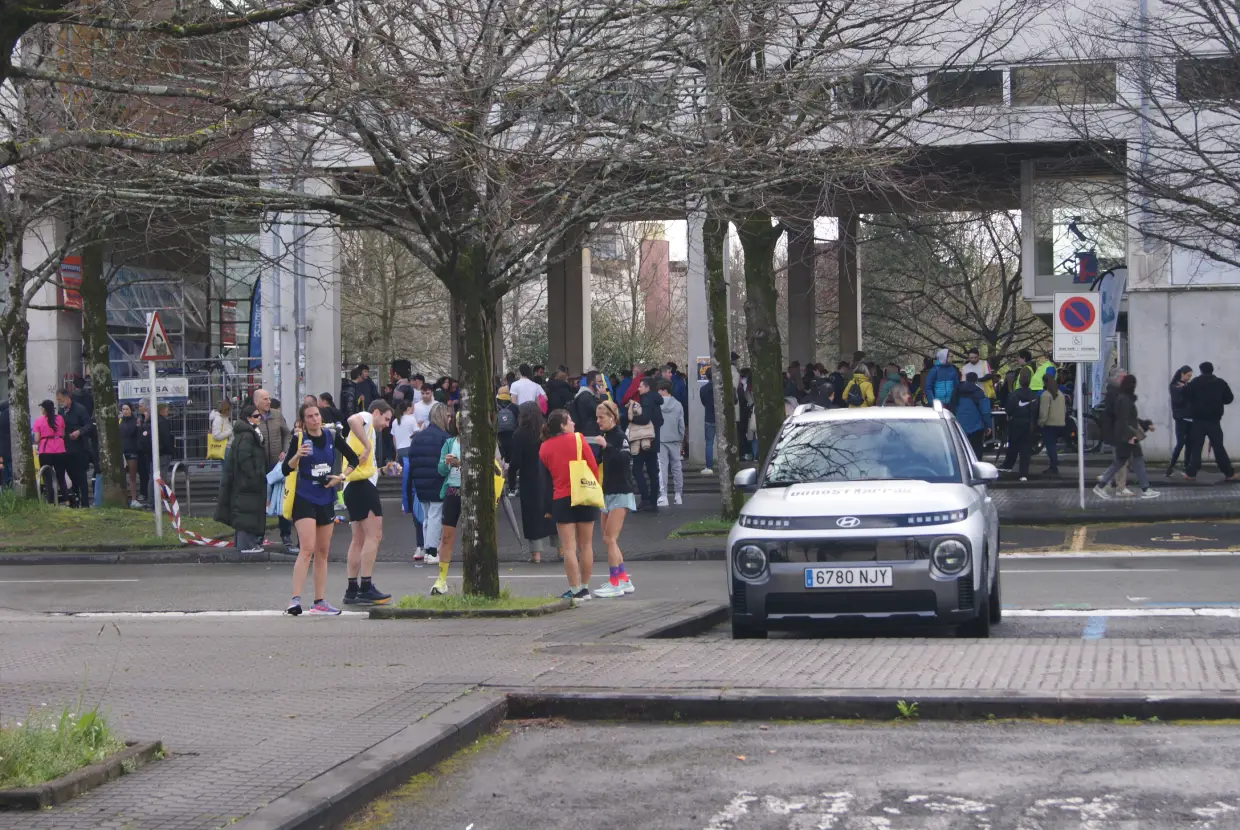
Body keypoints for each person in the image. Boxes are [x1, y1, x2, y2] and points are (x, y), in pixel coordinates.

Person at [281, 402, 360, 616]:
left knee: (322, 552)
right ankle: (295, 600)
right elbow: (285, 469)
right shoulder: (299, 439)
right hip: (304, 497)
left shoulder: (332, 436)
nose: (315, 419)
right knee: (307, 548)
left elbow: (353, 458)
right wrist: (297, 456)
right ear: (303, 421)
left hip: (325, 497)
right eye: (310, 417)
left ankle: (319, 601)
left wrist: (342, 477)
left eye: (317, 415)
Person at [538, 409, 600, 601]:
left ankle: (574, 590)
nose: (574, 423)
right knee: (586, 545)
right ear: (563, 425)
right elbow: (593, 467)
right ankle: (585, 587)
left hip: (561, 498)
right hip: (584, 495)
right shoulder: (579, 439)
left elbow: (547, 477)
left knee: (569, 548)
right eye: (570, 420)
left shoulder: (544, 448)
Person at [342, 400, 394, 606]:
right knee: (375, 535)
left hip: (353, 485)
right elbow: (352, 419)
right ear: (376, 412)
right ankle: (366, 586)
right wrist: (367, 445)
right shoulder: (366, 418)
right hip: (362, 486)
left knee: (358, 539)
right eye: (386, 418)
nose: (387, 424)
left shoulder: (368, 429)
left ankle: (352, 589)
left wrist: (381, 470)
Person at [587, 400, 636, 598]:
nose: (598, 421)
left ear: (612, 417)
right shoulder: (606, 436)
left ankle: (615, 582)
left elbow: (624, 459)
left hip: (621, 493)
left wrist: (606, 446)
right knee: (608, 541)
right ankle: (623, 578)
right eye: (597, 417)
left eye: (601, 417)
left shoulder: (619, 436)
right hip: (606, 493)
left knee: (609, 538)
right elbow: (601, 461)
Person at [1094, 374, 1160, 499]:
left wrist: (1144, 425)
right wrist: (1130, 436)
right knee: (1125, 461)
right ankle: (1145, 489)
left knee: (1126, 461)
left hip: (1126, 435)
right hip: (1127, 436)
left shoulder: (1123, 398)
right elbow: (1124, 420)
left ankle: (1102, 485)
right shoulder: (1125, 400)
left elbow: (1130, 419)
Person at [215, 404, 269, 553]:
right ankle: (247, 545)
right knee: (247, 512)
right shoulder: (247, 435)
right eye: (256, 416)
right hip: (247, 482)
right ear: (248, 418)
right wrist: (253, 476)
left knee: (246, 511)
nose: (260, 418)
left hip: (245, 481)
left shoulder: (246, 433)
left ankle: (245, 543)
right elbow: (244, 458)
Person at [507, 402, 553, 563]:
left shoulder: (520, 433)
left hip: (529, 478)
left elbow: (516, 461)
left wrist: (511, 481)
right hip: (549, 476)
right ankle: (562, 549)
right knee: (553, 512)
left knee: (532, 516)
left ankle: (536, 555)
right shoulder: (547, 430)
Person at [407, 402, 451, 565]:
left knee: (426, 517)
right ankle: (432, 551)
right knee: (435, 517)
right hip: (437, 482)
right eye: (448, 416)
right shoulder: (445, 438)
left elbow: (412, 460)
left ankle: (427, 549)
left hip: (420, 482)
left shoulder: (418, 437)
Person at [253, 389, 296, 552]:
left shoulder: (277, 415)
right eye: (265, 399)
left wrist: (285, 451)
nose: (268, 401)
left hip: (277, 465)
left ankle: (286, 535)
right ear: (256, 401)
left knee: (281, 499)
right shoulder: (252, 416)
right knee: (260, 500)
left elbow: (287, 434)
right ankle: (258, 535)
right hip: (260, 465)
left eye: (269, 398)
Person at [1184, 361, 1238, 482]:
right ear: (1212, 370)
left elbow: (1186, 395)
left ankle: (1191, 474)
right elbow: (1229, 399)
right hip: (1214, 421)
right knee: (1219, 448)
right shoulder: (1220, 383)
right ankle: (1229, 473)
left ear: (1201, 370)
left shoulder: (1195, 383)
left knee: (1196, 448)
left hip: (1198, 421)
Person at [429, 415, 464, 596]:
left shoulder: (480, 443)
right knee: (447, 537)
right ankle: (441, 579)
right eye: (459, 422)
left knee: (475, 537)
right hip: (452, 491)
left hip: (472, 493)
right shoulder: (450, 443)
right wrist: (446, 462)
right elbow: (441, 470)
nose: (461, 425)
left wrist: (461, 463)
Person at [627, 375, 663, 512]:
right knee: (653, 471)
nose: (638, 388)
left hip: (644, 442)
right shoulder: (657, 400)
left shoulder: (646, 399)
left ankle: (645, 498)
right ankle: (653, 501)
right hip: (654, 441)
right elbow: (660, 420)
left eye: (641, 386)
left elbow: (644, 418)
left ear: (647, 387)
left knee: (636, 469)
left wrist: (631, 419)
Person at [57, 387, 94, 507]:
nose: (60, 403)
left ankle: (85, 503)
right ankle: (74, 501)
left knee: (81, 477)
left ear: (67, 398)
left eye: (61, 400)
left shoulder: (80, 409)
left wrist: (79, 432)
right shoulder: (61, 412)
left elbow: (89, 425)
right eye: (58, 400)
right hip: (66, 448)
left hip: (79, 448)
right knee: (70, 477)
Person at [1001, 368, 1037, 481]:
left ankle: (1007, 467)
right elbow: (1036, 410)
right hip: (1029, 424)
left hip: (1016, 424)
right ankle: (1023, 474)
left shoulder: (1013, 395)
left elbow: (1009, 410)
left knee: (1013, 446)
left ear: (1020, 382)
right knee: (1025, 451)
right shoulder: (1033, 395)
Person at [657, 379, 686, 506]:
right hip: (675, 438)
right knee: (677, 467)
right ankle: (678, 495)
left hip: (661, 439)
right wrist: (680, 437)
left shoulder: (657, 405)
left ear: (664, 390)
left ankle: (663, 495)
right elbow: (682, 424)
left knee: (662, 467)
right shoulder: (678, 404)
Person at [33, 399, 67, 504]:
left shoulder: (38, 421)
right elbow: (63, 434)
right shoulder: (60, 418)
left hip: (45, 450)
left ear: (44, 409)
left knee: (47, 477)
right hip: (60, 450)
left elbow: (37, 439)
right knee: (61, 476)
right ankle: (66, 500)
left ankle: (51, 500)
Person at [1038, 367, 1067, 475]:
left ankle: (1053, 465)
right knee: (1053, 445)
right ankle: (1053, 465)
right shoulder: (1060, 394)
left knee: (1050, 446)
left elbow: (1044, 412)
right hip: (1060, 423)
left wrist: (1040, 422)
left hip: (1050, 424)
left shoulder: (1045, 395)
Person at [391, 398, 418, 513]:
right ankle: (409, 504)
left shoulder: (395, 421)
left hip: (400, 451)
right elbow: (416, 433)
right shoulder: (411, 419)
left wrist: (396, 451)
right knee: (410, 480)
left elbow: (394, 438)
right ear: (408, 408)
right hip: (409, 450)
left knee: (405, 479)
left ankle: (405, 503)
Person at [955, 372, 992, 456]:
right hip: (976, 427)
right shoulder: (979, 392)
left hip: (959, 426)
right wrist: (988, 425)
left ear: (966, 379)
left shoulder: (957, 390)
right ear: (976, 380)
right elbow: (985, 411)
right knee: (976, 452)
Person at [569, 371, 605, 455]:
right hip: (589, 436)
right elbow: (602, 412)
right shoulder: (586, 397)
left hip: (589, 434)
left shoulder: (589, 396)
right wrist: (603, 396)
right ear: (592, 383)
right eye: (599, 381)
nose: (602, 384)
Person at [1168, 365, 1193, 477]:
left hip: (1190, 418)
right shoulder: (1175, 386)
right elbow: (1178, 401)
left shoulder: (1187, 385)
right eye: (1188, 375)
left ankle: (1186, 467)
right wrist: (1185, 390)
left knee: (1189, 444)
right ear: (1182, 374)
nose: (1189, 378)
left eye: (1190, 376)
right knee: (1181, 442)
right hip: (1181, 418)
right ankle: (1171, 466)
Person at [119, 403, 142, 507]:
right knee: (122, 477)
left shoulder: (135, 421)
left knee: (132, 477)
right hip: (122, 451)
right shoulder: (120, 421)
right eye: (123, 409)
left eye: (127, 409)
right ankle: (123, 499)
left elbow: (134, 433)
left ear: (131, 410)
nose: (125, 411)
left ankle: (133, 498)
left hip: (132, 450)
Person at [496, 386, 519, 462]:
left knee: (501, 460)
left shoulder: (495, 408)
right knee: (511, 461)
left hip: (499, 438)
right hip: (512, 437)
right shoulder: (515, 407)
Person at [700, 369, 716, 475]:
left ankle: (709, 466)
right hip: (722, 417)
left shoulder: (703, 389)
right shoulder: (723, 387)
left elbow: (704, 402)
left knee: (709, 443)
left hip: (709, 417)